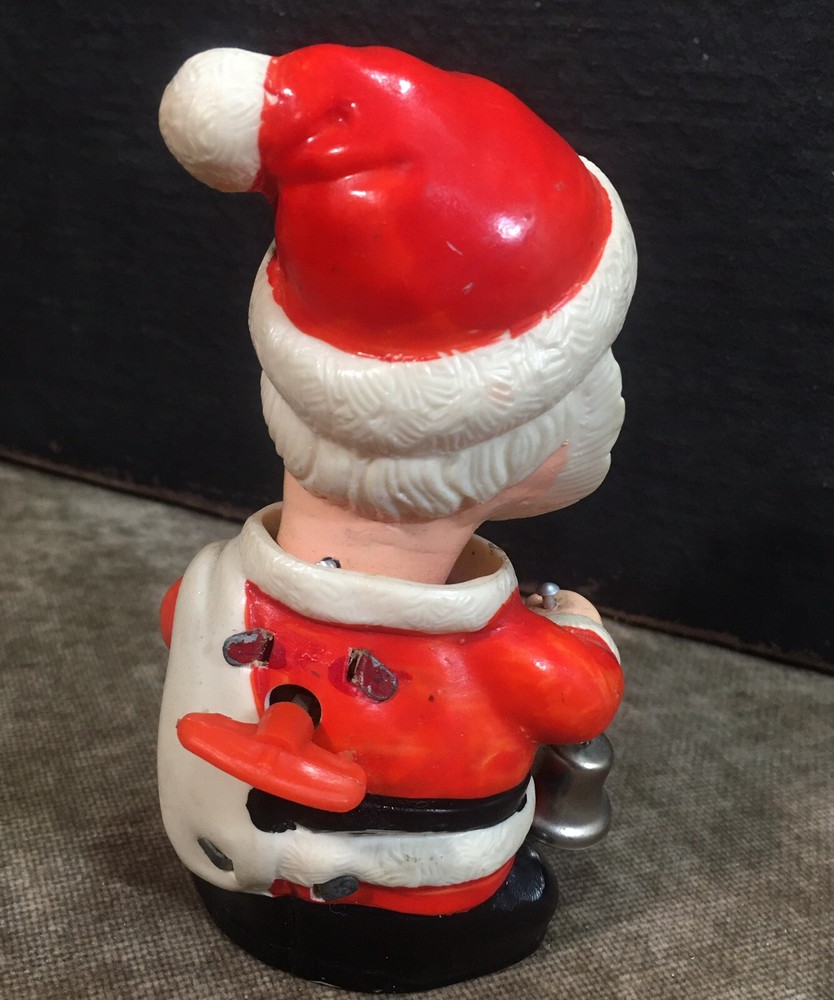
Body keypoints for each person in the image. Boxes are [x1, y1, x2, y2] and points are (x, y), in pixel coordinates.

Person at [157, 43, 637, 992]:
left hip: (224, 855)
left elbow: (179, 619)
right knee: (499, 896)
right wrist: (582, 629)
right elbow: (581, 701)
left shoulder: (219, 590)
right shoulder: (489, 651)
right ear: (534, 445)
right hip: (424, 891)